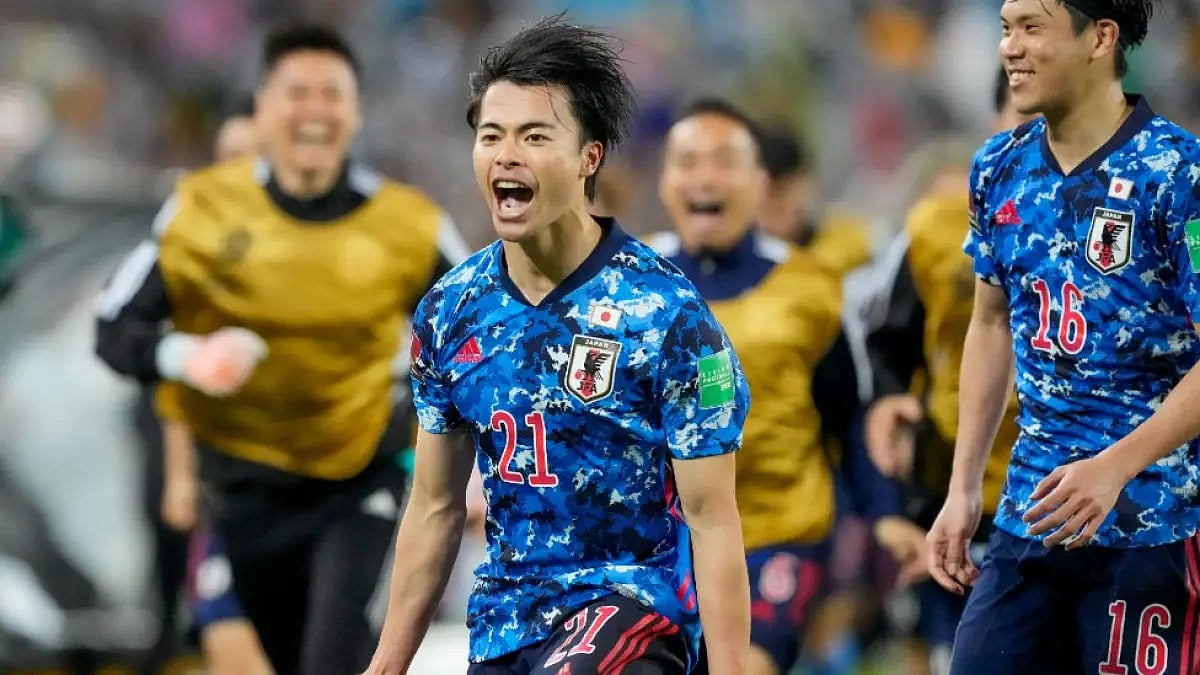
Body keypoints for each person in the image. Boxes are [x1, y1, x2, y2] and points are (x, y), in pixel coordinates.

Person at [365, 16, 752, 675]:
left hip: (631, 609)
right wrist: (384, 666)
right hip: (504, 626)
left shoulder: (669, 315)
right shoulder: (449, 312)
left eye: (534, 136)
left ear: (589, 157)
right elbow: (434, 506)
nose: (506, 155)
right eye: (492, 136)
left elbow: (712, 516)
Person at [93, 22, 469, 675]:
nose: (315, 110)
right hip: (245, 489)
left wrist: (480, 465)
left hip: (360, 481)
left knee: (332, 655)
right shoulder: (201, 211)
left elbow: (485, 338)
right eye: (298, 92)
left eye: (333, 93)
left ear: (357, 112)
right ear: (263, 106)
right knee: (283, 657)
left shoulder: (410, 225)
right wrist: (189, 357)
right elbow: (114, 325)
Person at [926, 1, 1200, 673]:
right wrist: (964, 487)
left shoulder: (1178, 173)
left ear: (1100, 38)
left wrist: (1116, 466)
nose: (1008, 48)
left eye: (1031, 28)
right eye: (1004, 28)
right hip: (1031, 514)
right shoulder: (997, 167)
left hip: (1152, 523)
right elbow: (991, 322)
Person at [650, 97, 896, 675]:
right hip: (660, 546)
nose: (705, 177)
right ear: (664, 181)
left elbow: (850, 415)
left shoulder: (811, 289)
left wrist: (885, 515)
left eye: (723, 161)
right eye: (688, 161)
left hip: (776, 532)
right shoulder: (631, 284)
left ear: (760, 183)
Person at [862, 67, 1035, 675]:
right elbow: (887, 344)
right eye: (1025, 121)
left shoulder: (1130, 220)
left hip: (1081, 496)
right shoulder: (936, 230)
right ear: (995, 124)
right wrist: (889, 402)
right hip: (964, 494)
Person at [149, 100, 273, 675]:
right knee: (228, 644)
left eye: (254, 157)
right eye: (229, 158)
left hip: (328, 494)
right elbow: (181, 383)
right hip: (232, 492)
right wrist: (180, 476)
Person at [755, 126, 873, 278]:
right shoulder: (732, 263)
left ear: (806, 184)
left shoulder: (854, 247)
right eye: (761, 194)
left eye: (780, 190)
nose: (770, 204)